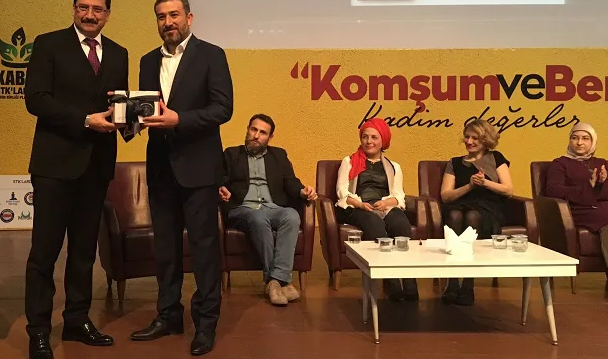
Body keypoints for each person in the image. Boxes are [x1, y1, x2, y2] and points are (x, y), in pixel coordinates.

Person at [23, 0, 131, 359]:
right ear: (73, 9)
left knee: (84, 251)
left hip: (97, 167)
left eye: (97, 9)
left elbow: (118, 104)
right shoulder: (48, 44)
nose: (89, 15)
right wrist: (85, 120)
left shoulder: (119, 53)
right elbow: (36, 99)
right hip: (54, 166)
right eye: (83, 7)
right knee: (44, 253)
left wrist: (132, 121)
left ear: (107, 14)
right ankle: (38, 331)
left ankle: (77, 320)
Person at [130, 0, 233, 356]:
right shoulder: (147, 60)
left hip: (200, 169)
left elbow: (223, 108)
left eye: (174, 15)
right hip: (160, 168)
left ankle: (205, 324)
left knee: (204, 250)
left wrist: (180, 119)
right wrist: (126, 119)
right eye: (161, 17)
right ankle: (168, 315)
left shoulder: (212, 55)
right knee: (166, 249)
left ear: (189, 18)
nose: (168, 22)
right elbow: (146, 110)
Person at [218, 114, 317, 306]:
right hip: (243, 208)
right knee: (258, 217)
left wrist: (303, 192)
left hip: (272, 207)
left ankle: (275, 281)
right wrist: (220, 189)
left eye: (262, 133)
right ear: (248, 129)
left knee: (291, 215)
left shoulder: (278, 155)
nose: (256, 136)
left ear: (270, 137)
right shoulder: (231, 154)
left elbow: (291, 182)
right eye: (253, 130)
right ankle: (283, 281)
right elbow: (219, 180)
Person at [334, 118, 419, 301]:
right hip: (357, 206)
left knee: (400, 224)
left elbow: (398, 196)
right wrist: (360, 204)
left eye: (374, 137)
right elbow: (342, 191)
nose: (369, 141)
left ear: (383, 141)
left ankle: (409, 281)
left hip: (383, 206)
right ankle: (391, 282)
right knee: (374, 223)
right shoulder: (349, 161)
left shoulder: (393, 166)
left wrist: (386, 203)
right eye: (365, 137)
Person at [440, 119, 513, 305]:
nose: (469, 141)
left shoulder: (496, 158)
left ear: (485, 140)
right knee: (455, 215)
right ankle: (452, 282)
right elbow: (446, 196)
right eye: (467, 137)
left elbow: (508, 190)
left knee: (472, 216)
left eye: (475, 138)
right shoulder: (455, 163)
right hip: (460, 204)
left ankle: (468, 284)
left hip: (487, 207)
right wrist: (470, 185)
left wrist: (485, 182)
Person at [545, 123, 608, 289]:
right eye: (575, 138)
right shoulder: (560, 164)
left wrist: (602, 183)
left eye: (585, 138)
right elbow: (553, 190)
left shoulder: (603, 164)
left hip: (602, 207)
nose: (579, 142)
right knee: (607, 219)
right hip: (577, 210)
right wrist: (587, 186)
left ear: (593, 141)